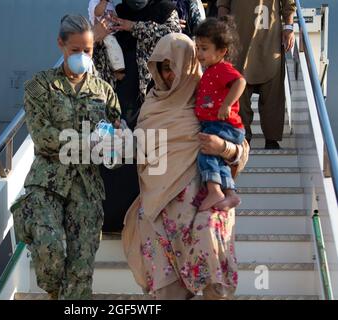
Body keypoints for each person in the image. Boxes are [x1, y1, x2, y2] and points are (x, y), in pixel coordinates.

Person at [122, 33, 249, 300]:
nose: (169, 75)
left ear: (189, 63)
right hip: (161, 208)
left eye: (174, 66)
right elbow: (146, 163)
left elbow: (241, 149)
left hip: (206, 203)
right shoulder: (152, 106)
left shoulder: (208, 94)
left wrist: (222, 148)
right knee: (167, 288)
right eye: (164, 67)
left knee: (211, 251)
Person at [9, 14, 121, 300]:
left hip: (87, 187)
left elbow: (116, 140)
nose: (82, 56)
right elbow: (43, 136)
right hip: (48, 181)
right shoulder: (40, 86)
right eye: (75, 50)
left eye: (88, 50)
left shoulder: (104, 92)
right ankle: (55, 292)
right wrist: (88, 141)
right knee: (49, 250)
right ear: (60, 44)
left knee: (82, 267)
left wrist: (116, 145)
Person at [93, 0, 182, 233]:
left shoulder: (165, 10)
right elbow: (99, 58)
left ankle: (147, 223)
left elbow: (174, 38)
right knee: (118, 162)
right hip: (120, 98)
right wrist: (98, 37)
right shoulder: (117, 12)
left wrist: (134, 26)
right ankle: (115, 220)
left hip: (154, 101)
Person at [217, 0, 296, 149]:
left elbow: (289, 4)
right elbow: (223, 5)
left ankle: (271, 139)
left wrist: (289, 27)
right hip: (239, 40)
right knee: (239, 90)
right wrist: (222, 31)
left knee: (273, 92)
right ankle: (243, 136)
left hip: (270, 40)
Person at [194, 17, 246, 211]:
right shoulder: (210, 71)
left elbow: (240, 82)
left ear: (222, 51)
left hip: (223, 125)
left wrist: (226, 105)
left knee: (206, 153)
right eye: (197, 48)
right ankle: (230, 194)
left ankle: (214, 190)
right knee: (218, 160)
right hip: (217, 124)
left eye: (204, 48)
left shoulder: (221, 69)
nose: (199, 53)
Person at [88, 0, 126, 80]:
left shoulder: (111, 3)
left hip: (113, 31)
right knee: (112, 49)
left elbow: (114, 14)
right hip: (104, 34)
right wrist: (104, 1)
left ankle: (116, 70)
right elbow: (98, 13)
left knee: (116, 50)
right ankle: (118, 70)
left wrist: (116, 19)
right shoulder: (94, 2)